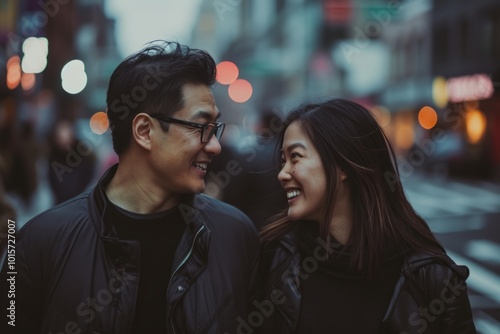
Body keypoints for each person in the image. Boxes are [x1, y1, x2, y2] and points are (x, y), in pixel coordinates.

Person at [0, 41, 259, 334]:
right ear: (145, 131)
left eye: (215, 129)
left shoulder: (236, 237)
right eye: (201, 128)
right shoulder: (40, 242)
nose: (215, 146)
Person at [255, 98, 476, 333]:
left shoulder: (431, 277)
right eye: (282, 161)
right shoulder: (274, 257)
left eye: (295, 157)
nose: (282, 173)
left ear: (342, 165)